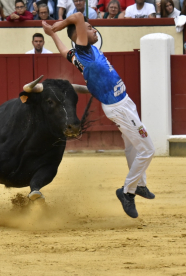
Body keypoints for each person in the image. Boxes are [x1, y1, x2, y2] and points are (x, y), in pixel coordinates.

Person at [42, 13, 155, 218]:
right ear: (80, 35)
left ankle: (140, 185)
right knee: (148, 150)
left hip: (124, 101)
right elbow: (76, 16)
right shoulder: (84, 50)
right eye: (89, 27)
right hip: (118, 107)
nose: (94, 30)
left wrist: (52, 36)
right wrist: (56, 27)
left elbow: (63, 51)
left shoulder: (82, 55)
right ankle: (127, 192)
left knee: (131, 147)